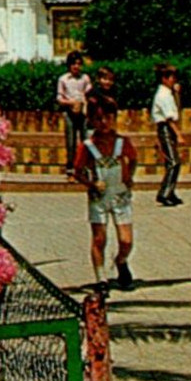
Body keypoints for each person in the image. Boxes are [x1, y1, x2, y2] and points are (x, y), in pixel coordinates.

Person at [73, 95, 136, 290]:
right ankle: (101, 278)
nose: (104, 122)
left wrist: (129, 177)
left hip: (120, 195)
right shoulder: (88, 146)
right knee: (100, 238)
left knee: (126, 240)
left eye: (108, 117)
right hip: (99, 197)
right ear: (92, 120)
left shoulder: (122, 142)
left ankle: (121, 261)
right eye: (99, 119)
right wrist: (91, 184)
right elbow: (77, 171)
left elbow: (132, 160)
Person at [151, 63, 184, 206]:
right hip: (165, 128)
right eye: (172, 78)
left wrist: (177, 94)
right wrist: (179, 135)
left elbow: (176, 110)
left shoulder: (168, 93)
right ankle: (164, 193)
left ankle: (170, 191)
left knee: (172, 162)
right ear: (164, 79)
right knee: (173, 162)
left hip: (168, 128)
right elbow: (169, 119)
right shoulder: (162, 94)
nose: (174, 80)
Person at [55, 51, 91, 179]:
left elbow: (88, 94)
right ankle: (70, 168)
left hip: (82, 112)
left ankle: (84, 167)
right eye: (73, 64)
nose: (76, 67)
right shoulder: (63, 79)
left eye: (78, 64)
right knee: (70, 142)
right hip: (69, 111)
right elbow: (59, 97)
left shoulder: (85, 78)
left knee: (85, 140)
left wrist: (84, 106)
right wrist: (70, 103)